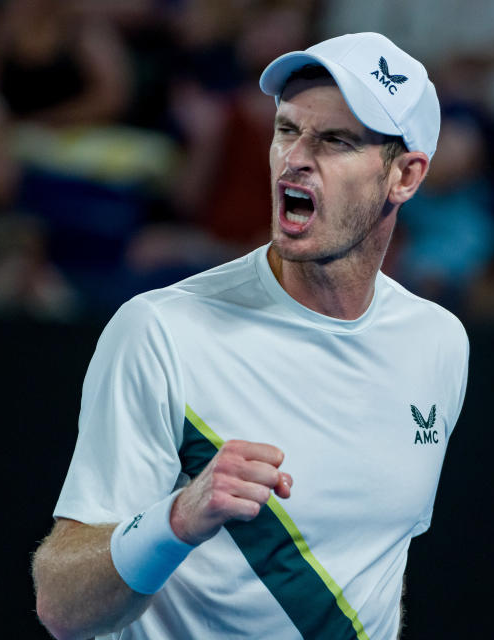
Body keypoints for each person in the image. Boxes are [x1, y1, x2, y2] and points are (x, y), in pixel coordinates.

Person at [32, 32, 469, 640]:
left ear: (405, 176)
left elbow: (376, 561)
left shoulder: (439, 343)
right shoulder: (160, 331)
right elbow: (61, 604)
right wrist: (178, 518)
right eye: (288, 129)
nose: (295, 158)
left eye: (336, 140)